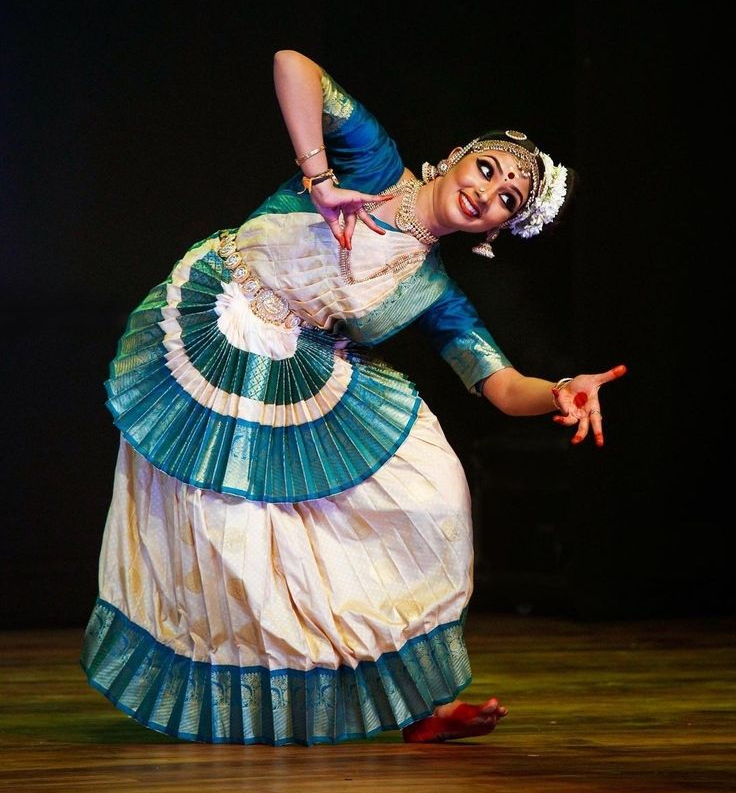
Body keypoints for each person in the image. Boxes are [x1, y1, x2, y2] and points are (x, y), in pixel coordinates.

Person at [80, 49, 627, 746]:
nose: (488, 191)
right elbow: (290, 64)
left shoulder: (434, 293)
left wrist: (558, 391)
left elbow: (497, 383)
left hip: (294, 363)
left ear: (495, 229)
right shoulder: (372, 164)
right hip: (221, 322)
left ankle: (418, 706)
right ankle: (234, 695)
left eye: (506, 200)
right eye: (486, 168)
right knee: (227, 528)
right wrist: (319, 176)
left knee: (435, 489)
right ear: (456, 156)